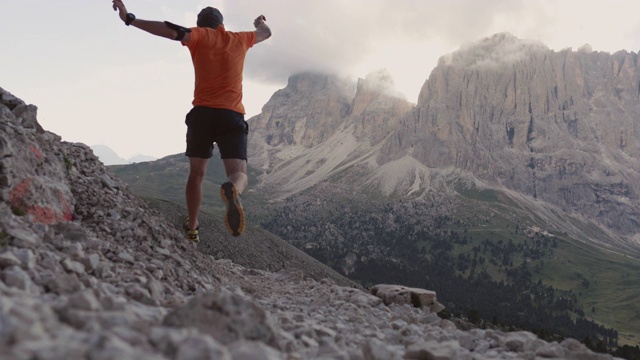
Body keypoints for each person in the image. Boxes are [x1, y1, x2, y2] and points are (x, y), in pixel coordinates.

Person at [111, 0, 271, 241]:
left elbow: (168, 30)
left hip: (202, 114)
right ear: (222, 25)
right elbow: (266, 33)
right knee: (240, 173)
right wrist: (260, 23)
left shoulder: (198, 36)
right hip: (232, 115)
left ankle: (193, 229)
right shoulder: (239, 39)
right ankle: (233, 190)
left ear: (201, 25)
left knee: (196, 174)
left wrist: (130, 19)